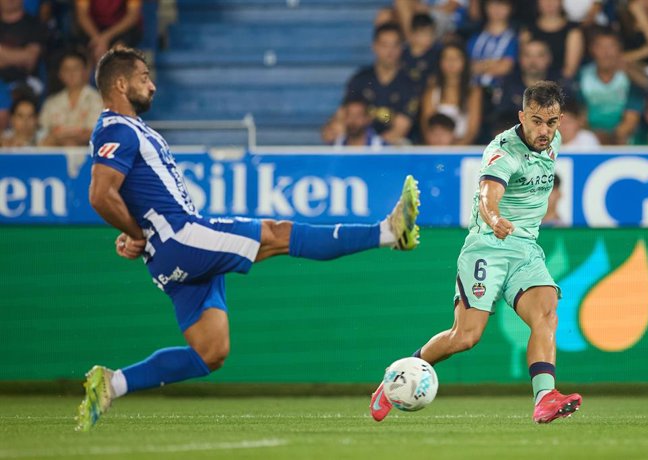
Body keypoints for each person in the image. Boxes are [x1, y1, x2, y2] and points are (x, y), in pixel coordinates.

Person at [75, 48, 421, 432]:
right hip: (183, 238)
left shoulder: (129, 129)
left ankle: (113, 383)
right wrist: (137, 232)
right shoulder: (117, 128)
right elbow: (100, 194)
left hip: (168, 255)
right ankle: (390, 232)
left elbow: (124, 196)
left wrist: (133, 232)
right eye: (143, 77)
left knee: (211, 352)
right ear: (120, 84)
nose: (152, 84)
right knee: (278, 234)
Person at [370, 81, 582, 424]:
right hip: (488, 245)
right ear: (521, 116)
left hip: (526, 249)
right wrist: (495, 217)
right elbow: (487, 194)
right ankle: (394, 378)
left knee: (547, 315)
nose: (544, 130)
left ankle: (544, 398)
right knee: (465, 336)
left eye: (552, 121)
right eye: (536, 121)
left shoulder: (553, 141)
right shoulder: (502, 151)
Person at [322, 23, 420, 146]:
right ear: (375, 47)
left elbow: (399, 130)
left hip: (394, 149)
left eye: (395, 45)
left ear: (401, 48)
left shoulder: (409, 84)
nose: (390, 51)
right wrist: (331, 128)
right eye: (384, 45)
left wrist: (372, 148)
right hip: (361, 144)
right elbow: (343, 115)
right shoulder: (360, 79)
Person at [577, 28, 644, 144]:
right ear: (592, 49)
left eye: (611, 46)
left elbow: (632, 117)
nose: (606, 52)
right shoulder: (582, 77)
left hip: (625, 138)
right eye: (600, 47)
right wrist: (593, 135)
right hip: (589, 137)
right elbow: (579, 115)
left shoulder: (630, 77)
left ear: (619, 49)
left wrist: (615, 136)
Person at [420, 42, 482, 145]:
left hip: (461, 149)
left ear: (464, 62)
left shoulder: (473, 92)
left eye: (456, 58)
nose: (451, 62)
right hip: (435, 148)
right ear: (440, 62)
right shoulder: (431, 92)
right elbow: (427, 129)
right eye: (447, 58)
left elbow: (472, 131)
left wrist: (453, 151)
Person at [39, 50, 103, 146]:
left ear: (86, 71)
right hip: (56, 155)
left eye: (76, 68)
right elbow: (43, 133)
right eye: (66, 69)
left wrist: (67, 140)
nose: (71, 73)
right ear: (60, 74)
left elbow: (96, 133)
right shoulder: (51, 102)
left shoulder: (99, 100)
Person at [520, 0, 584, 80]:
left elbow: (570, 70)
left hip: (561, 83)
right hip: (532, 80)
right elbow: (524, 62)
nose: (549, 3)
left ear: (561, 2)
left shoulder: (573, 31)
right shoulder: (528, 30)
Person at [0, 0, 48, 96]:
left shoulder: (35, 24)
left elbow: (30, 59)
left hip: (25, 82)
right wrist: (20, 56)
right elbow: (24, 57)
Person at [467, 0, 518, 89]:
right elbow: (467, 65)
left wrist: (480, 65)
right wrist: (494, 64)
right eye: (493, 4)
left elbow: (505, 68)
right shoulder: (475, 35)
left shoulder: (515, 37)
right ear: (486, 7)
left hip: (501, 92)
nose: (497, 9)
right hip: (472, 89)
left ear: (510, 8)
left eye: (502, 5)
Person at [75, 0, 143, 63]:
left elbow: (132, 16)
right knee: (93, 51)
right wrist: (97, 39)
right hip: (93, 27)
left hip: (121, 27)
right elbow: (82, 15)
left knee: (119, 50)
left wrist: (105, 38)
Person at [401, 13, 440, 87]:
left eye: (431, 34)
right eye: (424, 33)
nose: (429, 38)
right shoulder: (402, 53)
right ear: (413, 34)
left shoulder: (436, 55)